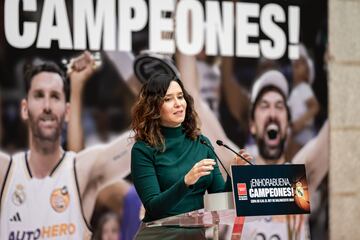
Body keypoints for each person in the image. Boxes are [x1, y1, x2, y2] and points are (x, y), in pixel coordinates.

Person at [0, 52, 132, 239]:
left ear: (67, 111)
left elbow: (146, 141)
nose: (47, 105)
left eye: (55, 96)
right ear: (24, 109)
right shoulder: (5, 172)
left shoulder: (82, 170)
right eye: (38, 95)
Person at [130, 74, 252, 222]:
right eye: (168, 99)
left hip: (197, 233)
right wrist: (186, 181)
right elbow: (154, 208)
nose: (178, 104)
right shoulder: (143, 150)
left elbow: (218, 202)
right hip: (162, 235)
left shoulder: (202, 143)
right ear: (154, 106)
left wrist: (234, 174)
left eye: (180, 97)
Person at [287, 44, 320, 159]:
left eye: (300, 63)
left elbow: (314, 107)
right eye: (294, 64)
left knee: (297, 164)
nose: (296, 65)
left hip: (303, 133)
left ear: (307, 72)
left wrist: (299, 123)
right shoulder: (294, 91)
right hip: (294, 134)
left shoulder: (304, 87)